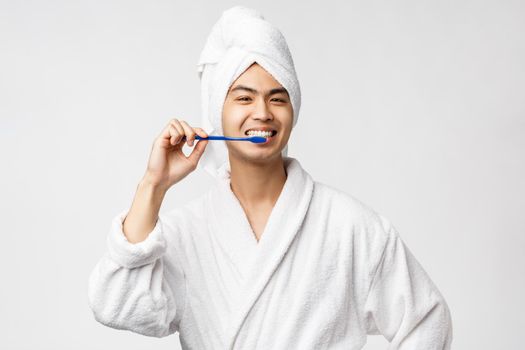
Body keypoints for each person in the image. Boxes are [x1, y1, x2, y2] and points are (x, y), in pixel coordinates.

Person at [87, 6, 453, 350]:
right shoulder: (186, 233)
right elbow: (116, 303)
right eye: (244, 99)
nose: (262, 113)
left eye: (278, 99)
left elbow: (425, 318)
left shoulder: (350, 226)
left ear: (293, 111)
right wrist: (154, 184)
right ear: (218, 113)